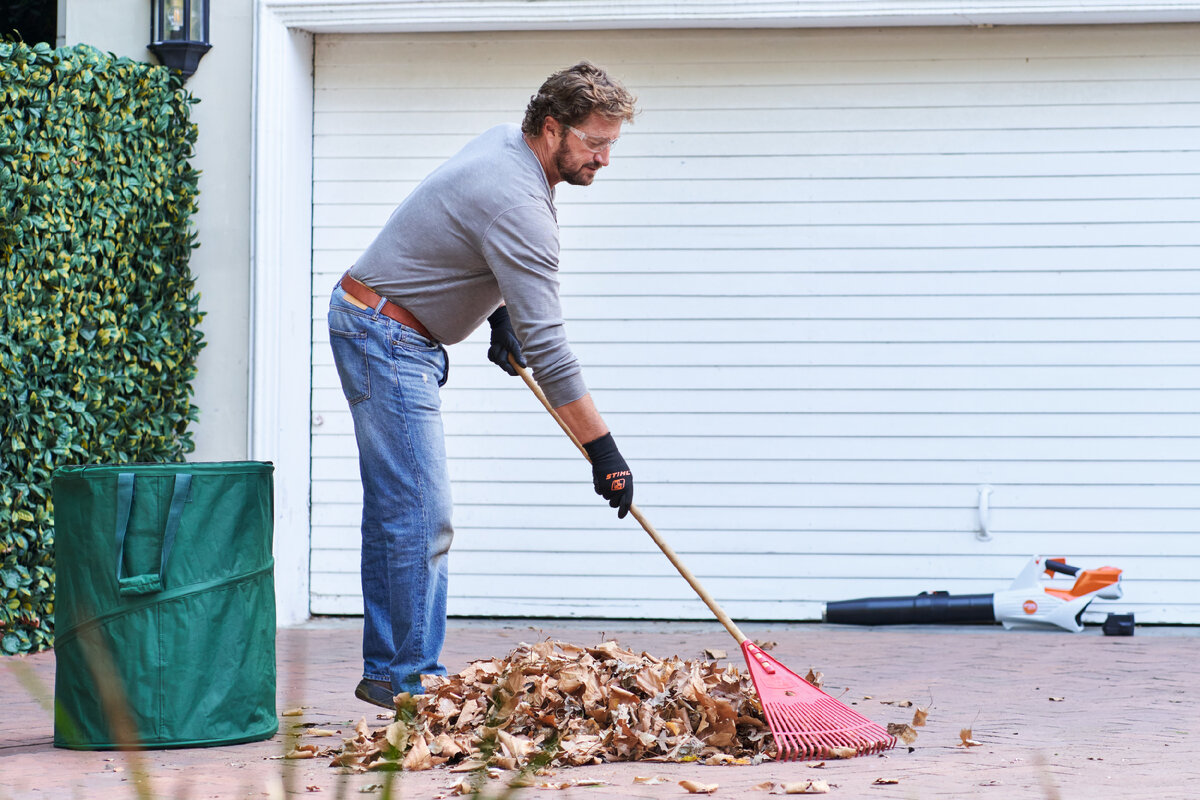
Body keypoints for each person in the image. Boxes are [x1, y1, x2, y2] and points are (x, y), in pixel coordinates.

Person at [327, 62, 639, 709]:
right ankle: (413, 683)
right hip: (387, 337)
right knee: (422, 515)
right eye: (593, 142)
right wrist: (603, 452)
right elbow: (551, 352)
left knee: (399, 511)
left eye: (612, 144)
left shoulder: (506, 146)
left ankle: (391, 672)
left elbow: (462, 232)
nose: (605, 158)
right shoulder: (519, 203)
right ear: (551, 128)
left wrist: (498, 315)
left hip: (380, 322)